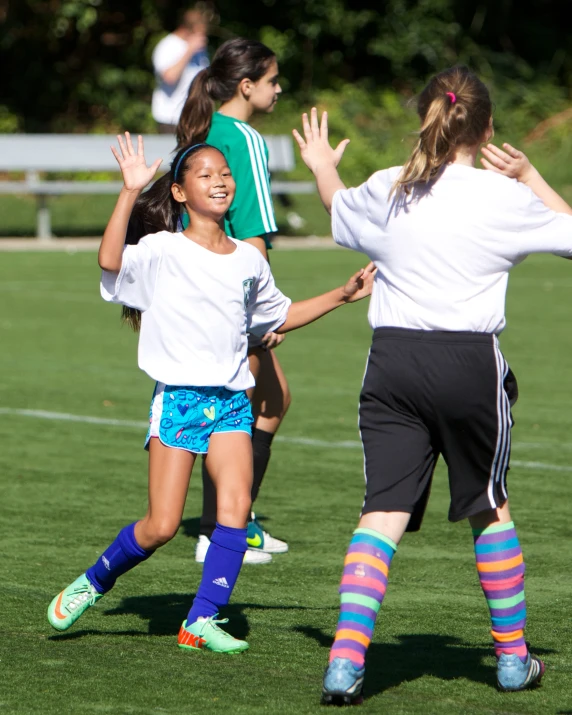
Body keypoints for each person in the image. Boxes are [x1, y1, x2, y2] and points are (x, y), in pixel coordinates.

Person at [292, 66, 572, 702]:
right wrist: (530, 176)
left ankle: (343, 660)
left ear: (426, 117)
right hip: (468, 363)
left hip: (393, 362)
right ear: (488, 127)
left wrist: (319, 163)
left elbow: (338, 209)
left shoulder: (391, 185)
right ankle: (511, 659)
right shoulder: (505, 198)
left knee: (381, 514)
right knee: (487, 506)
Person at [46, 134, 375, 653]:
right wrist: (129, 191)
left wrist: (344, 293)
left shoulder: (248, 259)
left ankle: (200, 621)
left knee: (235, 511)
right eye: (205, 174)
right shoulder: (162, 249)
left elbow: (279, 315)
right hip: (178, 401)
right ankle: (95, 580)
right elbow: (110, 262)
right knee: (160, 526)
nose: (220, 180)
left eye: (225, 173)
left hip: (230, 403)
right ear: (178, 193)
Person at [176, 38, 293, 565]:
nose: (279, 88)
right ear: (246, 87)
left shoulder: (202, 131)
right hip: (231, 291)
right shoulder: (244, 138)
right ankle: (219, 530)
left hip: (196, 284)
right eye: (272, 81)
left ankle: (233, 520)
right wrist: (263, 311)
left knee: (269, 399)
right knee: (244, 406)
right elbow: (254, 234)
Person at [151, 7, 209, 133]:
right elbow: (170, 77)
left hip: (194, 118)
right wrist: (189, 51)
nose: (203, 36)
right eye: (200, 32)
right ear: (187, 29)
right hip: (170, 118)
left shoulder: (200, 49)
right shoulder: (168, 46)